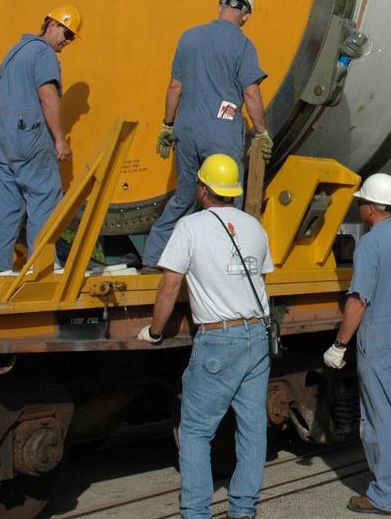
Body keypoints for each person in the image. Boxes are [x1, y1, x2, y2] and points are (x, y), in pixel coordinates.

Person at [137, 153, 274, 519]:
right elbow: (261, 277)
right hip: (257, 335)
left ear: (203, 190)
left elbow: (169, 286)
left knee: (196, 431)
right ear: (233, 192)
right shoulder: (254, 227)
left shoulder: (190, 228)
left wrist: (155, 331)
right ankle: (243, 510)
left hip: (219, 339)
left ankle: (196, 513)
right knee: (252, 427)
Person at [143, 0, 273, 268]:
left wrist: (167, 125)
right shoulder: (242, 44)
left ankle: (154, 257)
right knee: (227, 198)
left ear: (220, 6)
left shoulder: (188, 37)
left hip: (186, 130)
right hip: (222, 132)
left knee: (187, 194)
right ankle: (225, 262)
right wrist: (261, 131)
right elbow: (250, 93)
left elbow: (175, 86)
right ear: (246, 15)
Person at [323, 174, 391, 515]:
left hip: (383, 340)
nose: (358, 206)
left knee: (379, 419)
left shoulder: (370, 244)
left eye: (360, 201)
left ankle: (383, 494)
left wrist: (340, 344)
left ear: (370, 207)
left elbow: (358, 300)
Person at [0, 5, 81, 274]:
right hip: (30, 137)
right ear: (51, 25)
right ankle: (41, 268)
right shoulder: (44, 54)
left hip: (5, 139)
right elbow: (47, 95)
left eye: (72, 37)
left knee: (8, 207)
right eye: (67, 32)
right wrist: (60, 139)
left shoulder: (13, 52)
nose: (67, 40)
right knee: (45, 197)